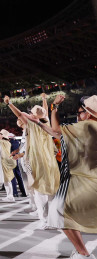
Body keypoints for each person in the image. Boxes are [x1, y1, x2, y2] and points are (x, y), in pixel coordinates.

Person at [21, 94, 97, 259]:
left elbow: (56, 131)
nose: (78, 115)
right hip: (91, 181)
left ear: (89, 114)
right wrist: (39, 123)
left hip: (83, 182)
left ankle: (83, 253)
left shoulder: (86, 126)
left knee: (58, 212)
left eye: (80, 112)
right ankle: (82, 252)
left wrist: (54, 107)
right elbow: (57, 134)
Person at [6, 94, 60, 229]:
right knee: (51, 191)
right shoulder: (46, 122)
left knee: (39, 192)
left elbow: (19, 114)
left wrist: (9, 103)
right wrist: (44, 100)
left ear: (34, 116)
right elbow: (45, 111)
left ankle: (45, 221)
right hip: (49, 161)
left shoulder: (34, 124)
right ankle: (54, 219)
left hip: (36, 161)